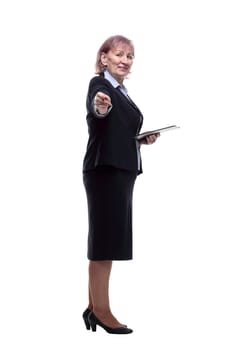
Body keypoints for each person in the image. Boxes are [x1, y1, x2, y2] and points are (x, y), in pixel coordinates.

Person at [82, 35, 160, 334]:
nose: (125, 60)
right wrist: (101, 107)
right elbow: (98, 109)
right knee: (105, 241)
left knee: (107, 239)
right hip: (106, 171)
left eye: (130, 56)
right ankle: (101, 311)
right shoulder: (100, 86)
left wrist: (141, 140)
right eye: (119, 54)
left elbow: (116, 131)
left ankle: (93, 307)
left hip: (119, 170)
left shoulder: (123, 92)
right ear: (104, 58)